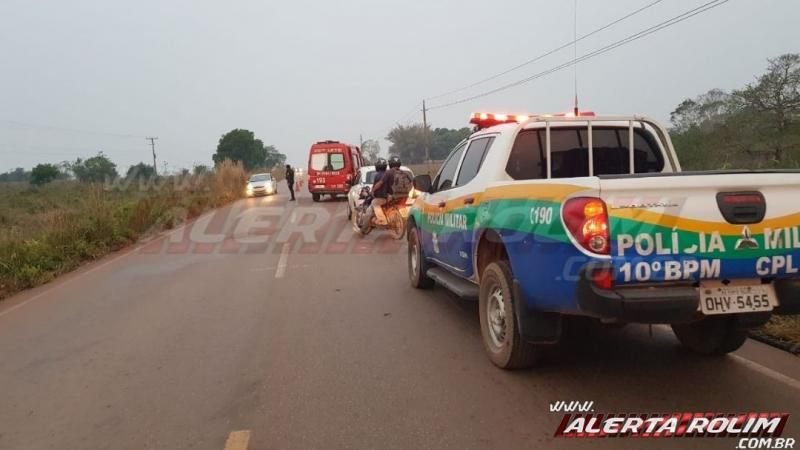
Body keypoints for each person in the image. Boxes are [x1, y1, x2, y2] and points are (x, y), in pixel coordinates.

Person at [366, 158, 392, 226]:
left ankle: (382, 220)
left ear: (377, 166)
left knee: (374, 203)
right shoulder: (389, 174)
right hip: (390, 196)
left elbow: (377, 186)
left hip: (383, 197)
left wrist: (372, 192)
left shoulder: (378, 175)